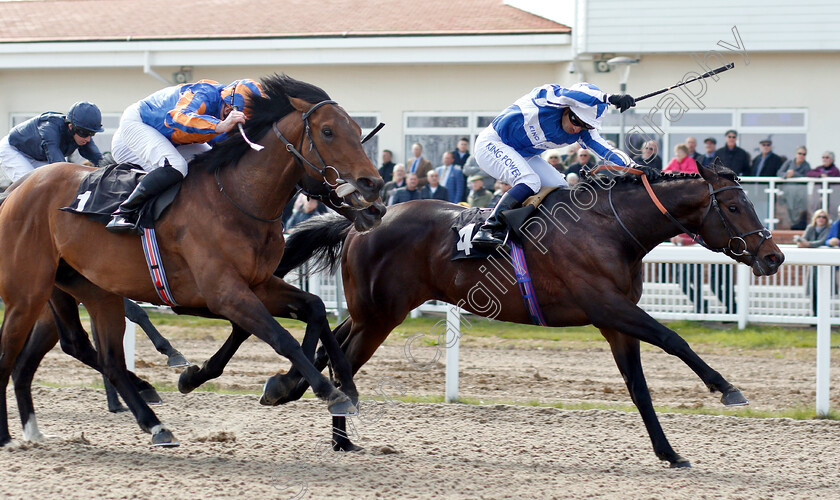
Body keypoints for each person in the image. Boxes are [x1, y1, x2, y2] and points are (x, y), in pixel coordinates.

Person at [470, 81, 638, 248]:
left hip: (523, 154)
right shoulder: (547, 96)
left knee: (560, 188)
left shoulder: (583, 133)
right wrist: (608, 98)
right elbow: (568, 94)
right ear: (567, 108)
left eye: (585, 126)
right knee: (529, 180)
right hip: (492, 144)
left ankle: (534, 233)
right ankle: (490, 228)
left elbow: (607, 151)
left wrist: (636, 168)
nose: (577, 129)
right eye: (576, 121)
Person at [106, 78, 263, 232]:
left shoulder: (227, 106)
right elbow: (176, 117)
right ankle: (123, 212)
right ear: (229, 110)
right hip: (138, 125)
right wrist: (220, 125)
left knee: (213, 167)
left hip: (170, 137)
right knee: (177, 167)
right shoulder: (204, 93)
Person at [0, 101, 104, 184]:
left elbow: (99, 160)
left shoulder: (81, 134)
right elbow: (59, 166)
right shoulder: (49, 129)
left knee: (46, 187)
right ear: (71, 127)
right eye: (85, 133)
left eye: (92, 133)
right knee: (29, 186)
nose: (88, 139)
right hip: (13, 150)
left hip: (37, 156)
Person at [778, 146, 811, 230]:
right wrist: (786, 175)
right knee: (790, 209)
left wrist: (794, 174)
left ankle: (798, 227)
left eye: (804, 154)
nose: (801, 156)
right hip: (788, 191)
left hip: (800, 192)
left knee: (799, 211)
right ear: (796, 154)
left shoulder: (806, 165)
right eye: (800, 153)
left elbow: (807, 176)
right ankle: (792, 226)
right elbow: (779, 172)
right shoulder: (789, 162)